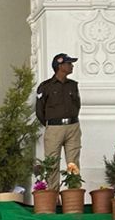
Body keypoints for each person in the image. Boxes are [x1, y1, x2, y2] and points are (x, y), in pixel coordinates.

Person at [35, 53, 82, 186]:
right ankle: (53, 194)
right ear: (60, 66)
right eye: (69, 63)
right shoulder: (46, 86)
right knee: (52, 163)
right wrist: (51, 124)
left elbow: (77, 105)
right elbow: (39, 111)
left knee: (73, 163)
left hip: (73, 126)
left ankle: (73, 193)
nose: (72, 66)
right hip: (54, 128)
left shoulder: (72, 85)